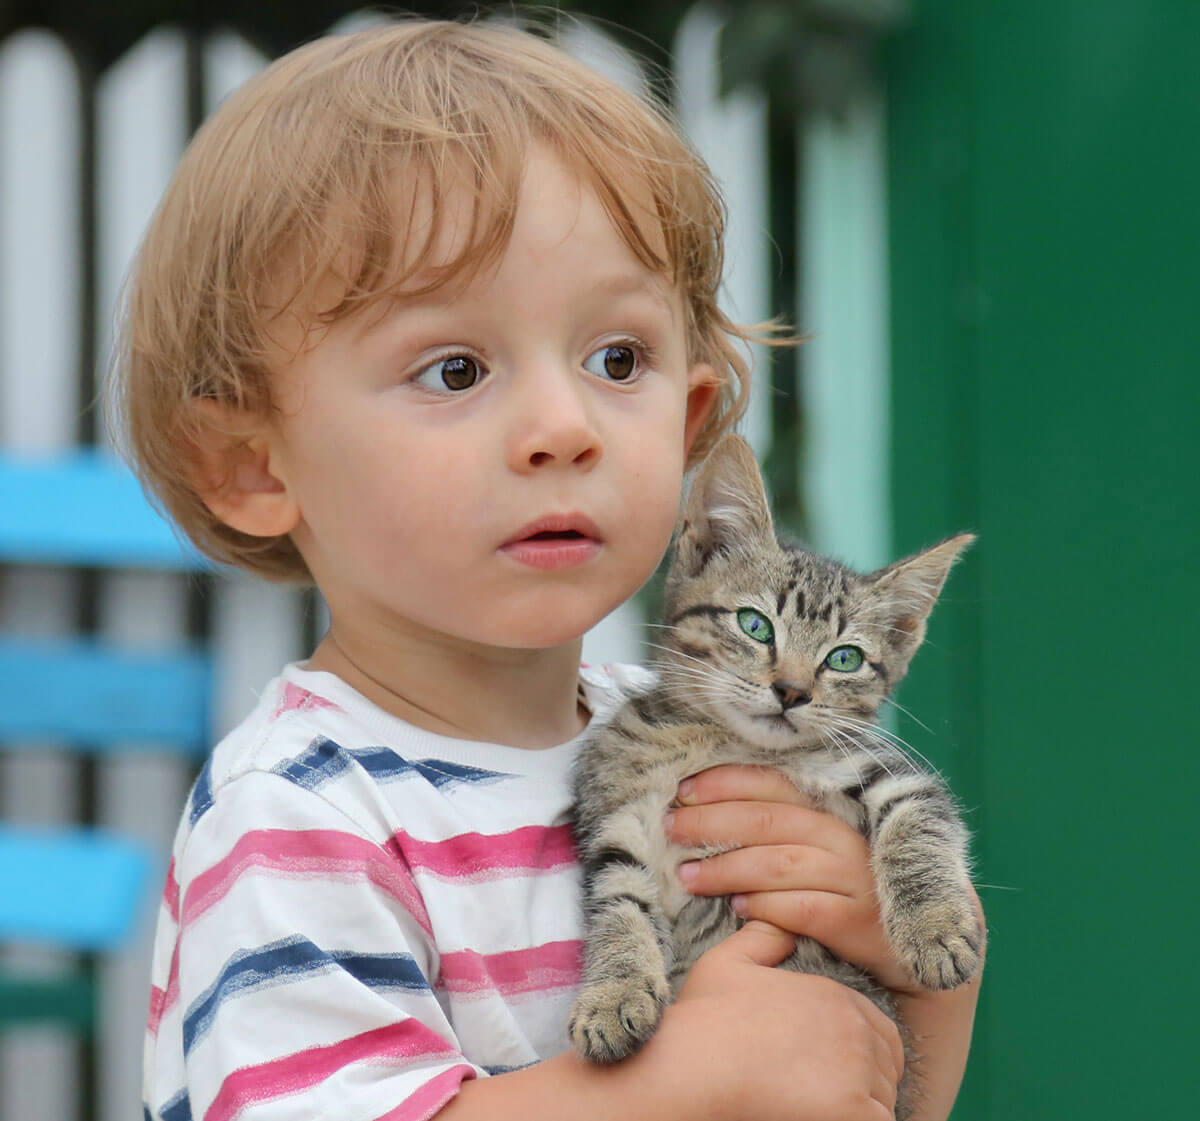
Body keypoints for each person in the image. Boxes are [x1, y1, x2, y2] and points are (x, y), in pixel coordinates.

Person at [117, 18, 983, 1121]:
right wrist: (689, 1076)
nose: (562, 426)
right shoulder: (302, 814)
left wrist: (917, 977)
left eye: (617, 359)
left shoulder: (712, 746)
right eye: (456, 366)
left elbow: (869, 1094)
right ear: (251, 465)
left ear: (690, 425)